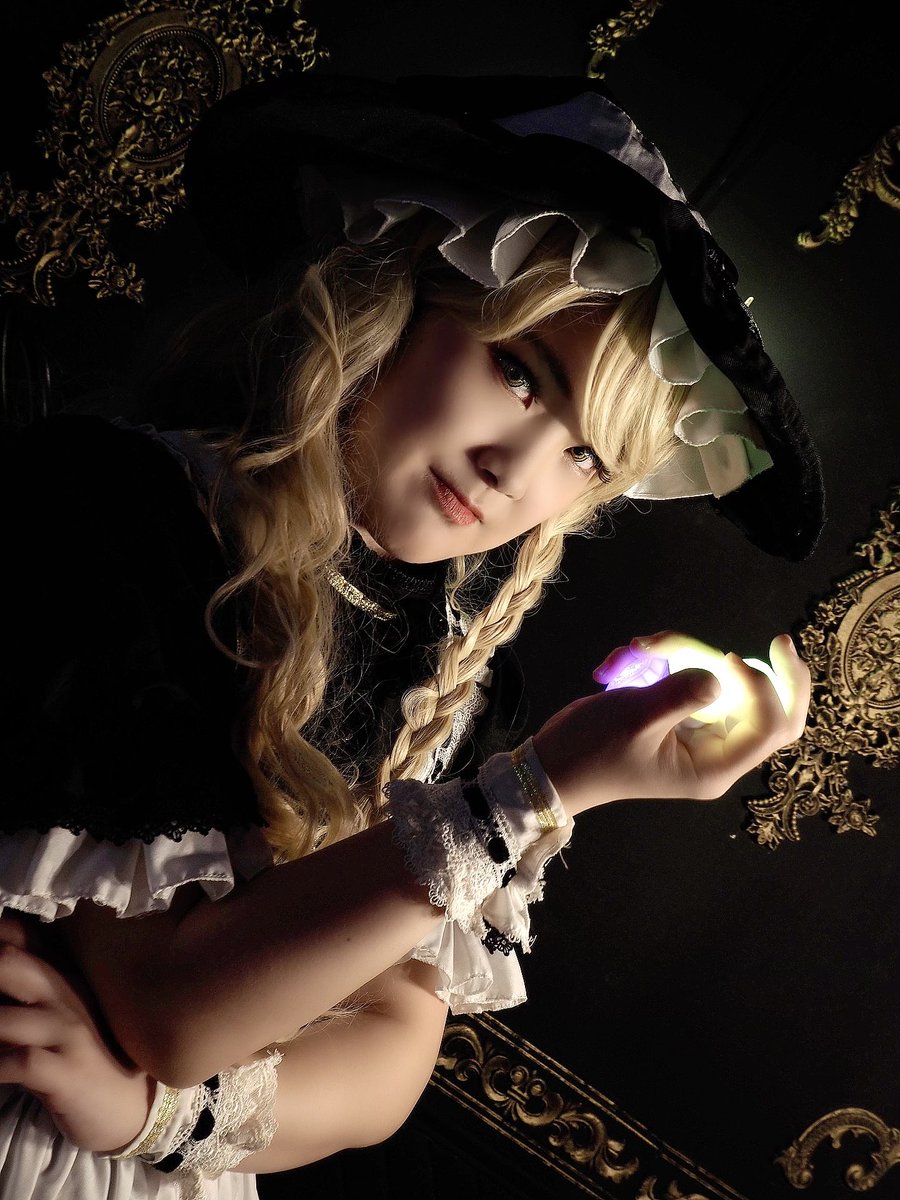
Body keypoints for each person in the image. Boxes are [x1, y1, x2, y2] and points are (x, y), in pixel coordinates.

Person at [0, 71, 821, 1199]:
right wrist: (538, 791)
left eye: (584, 456)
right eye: (520, 373)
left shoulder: (455, 685)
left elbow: (390, 1056)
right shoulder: (122, 518)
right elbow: (167, 1012)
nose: (515, 471)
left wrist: (154, 1120)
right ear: (396, 292)